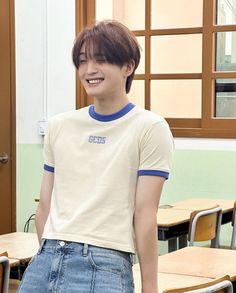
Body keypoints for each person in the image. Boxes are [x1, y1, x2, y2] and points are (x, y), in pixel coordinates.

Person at [18, 20, 174, 293]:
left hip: (105, 261)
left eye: (101, 60)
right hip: (46, 258)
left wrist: (150, 286)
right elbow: (45, 205)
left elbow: (145, 214)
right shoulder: (59, 125)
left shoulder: (150, 127)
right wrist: (47, 251)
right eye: (82, 61)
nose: (89, 70)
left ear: (128, 66)